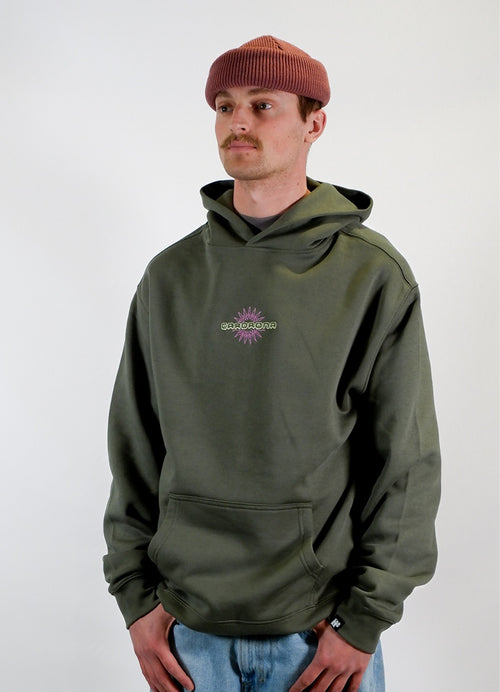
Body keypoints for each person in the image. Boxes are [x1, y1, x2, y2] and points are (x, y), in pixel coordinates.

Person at [103, 36, 440, 692]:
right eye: (225, 106)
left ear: (314, 124)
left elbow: (406, 460)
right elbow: (134, 449)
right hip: (187, 635)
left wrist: (364, 622)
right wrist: (135, 601)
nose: (238, 121)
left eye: (263, 105)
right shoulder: (170, 278)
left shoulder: (372, 276)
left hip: (318, 641)